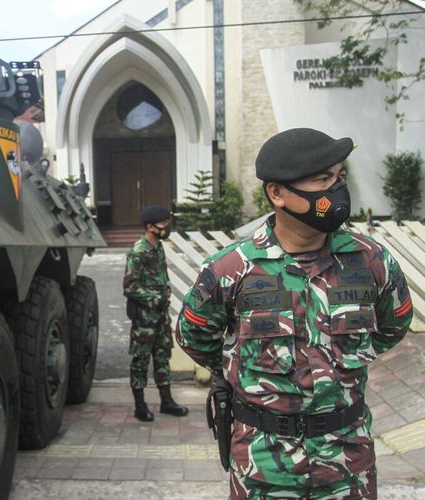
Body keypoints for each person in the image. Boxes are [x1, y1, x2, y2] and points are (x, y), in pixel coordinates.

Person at [175, 128, 413, 499]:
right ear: (277, 193)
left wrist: (340, 366)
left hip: (348, 464)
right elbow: (194, 336)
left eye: (339, 177)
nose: (336, 189)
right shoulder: (231, 269)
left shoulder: (371, 261)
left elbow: (394, 325)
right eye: (323, 179)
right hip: (264, 467)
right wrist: (249, 374)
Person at [124, 205, 189, 421]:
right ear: (150, 227)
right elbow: (130, 287)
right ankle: (140, 406)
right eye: (162, 225)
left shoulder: (158, 247)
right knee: (141, 360)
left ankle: (166, 402)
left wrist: (165, 291)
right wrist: (154, 298)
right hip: (144, 318)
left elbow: (159, 277)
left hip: (160, 316)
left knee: (162, 357)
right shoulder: (138, 251)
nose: (166, 228)